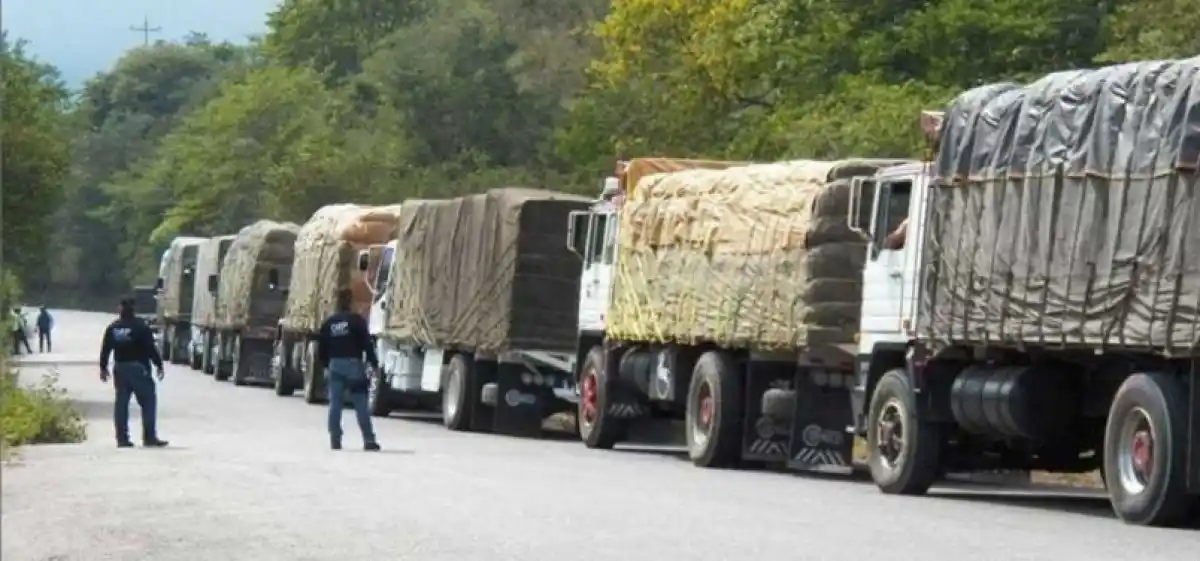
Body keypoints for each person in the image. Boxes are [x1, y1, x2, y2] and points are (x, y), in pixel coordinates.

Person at [317, 288, 381, 451]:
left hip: (335, 366)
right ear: (351, 302)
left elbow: (321, 348)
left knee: (335, 404)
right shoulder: (357, 321)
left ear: (337, 303)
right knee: (360, 404)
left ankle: (335, 439)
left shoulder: (329, 323)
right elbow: (367, 344)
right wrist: (374, 363)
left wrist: (325, 365)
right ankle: (368, 439)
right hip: (354, 366)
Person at [99, 298, 169, 449]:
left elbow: (105, 349)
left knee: (121, 404)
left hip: (120, 368)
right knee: (148, 402)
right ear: (134, 309)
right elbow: (150, 348)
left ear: (120, 309)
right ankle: (149, 437)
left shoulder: (113, 328)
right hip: (139, 368)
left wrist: (103, 368)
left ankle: (122, 438)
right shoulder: (140, 327)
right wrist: (159, 365)